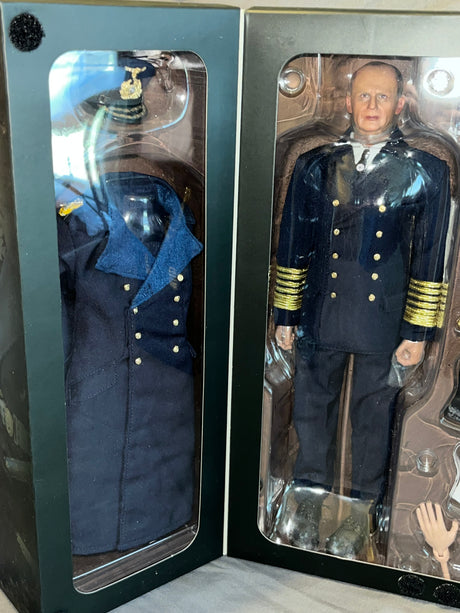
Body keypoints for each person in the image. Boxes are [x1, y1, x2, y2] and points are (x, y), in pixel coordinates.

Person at [273, 61, 451, 557]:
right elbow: (293, 243)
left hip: (383, 320)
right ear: (348, 102)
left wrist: (417, 331)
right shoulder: (315, 163)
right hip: (320, 313)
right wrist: (286, 315)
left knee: (373, 423)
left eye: (383, 97)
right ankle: (307, 504)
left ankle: (358, 515)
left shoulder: (426, 169)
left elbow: (431, 256)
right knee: (312, 413)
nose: (372, 106)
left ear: (401, 104)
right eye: (364, 96)